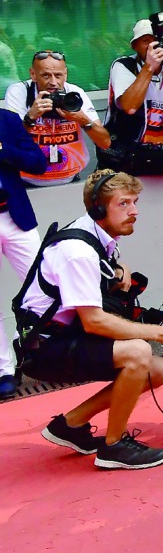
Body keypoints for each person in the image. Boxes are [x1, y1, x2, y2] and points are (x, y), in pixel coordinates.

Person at [15, 170, 163, 469]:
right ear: (98, 208)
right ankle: (113, 447)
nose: (134, 211)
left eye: (135, 202)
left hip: (66, 337)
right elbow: (94, 322)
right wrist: (156, 333)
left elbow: (101, 277)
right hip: (45, 350)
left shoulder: (97, 236)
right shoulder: (78, 252)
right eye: (124, 204)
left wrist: (120, 268)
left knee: (158, 370)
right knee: (139, 352)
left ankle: (70, 425)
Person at [4, 50, 111, 187]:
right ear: (33, 74)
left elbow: (105, 143)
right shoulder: (20, 92)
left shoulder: (75, 93)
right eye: (46, 75)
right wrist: (30, 118)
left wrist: (83, 119)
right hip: (27, 182)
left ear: (65, 74)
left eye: (58, 75)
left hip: (71, 180)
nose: (53, 82)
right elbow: (9, 142)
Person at [0, 108, 48, 398]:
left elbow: (38, 163)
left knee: (45, 285)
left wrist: (4, 151)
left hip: (15, 217)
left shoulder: (7, 119)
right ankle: (3, 370)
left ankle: (28, 341)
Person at [102, 19, 163, 175]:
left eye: (157, 41)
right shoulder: (124, 65)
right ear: (134, 46)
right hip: (127, 158)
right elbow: (129, 106)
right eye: (146, 41)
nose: (153, 46)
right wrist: (149, 67)